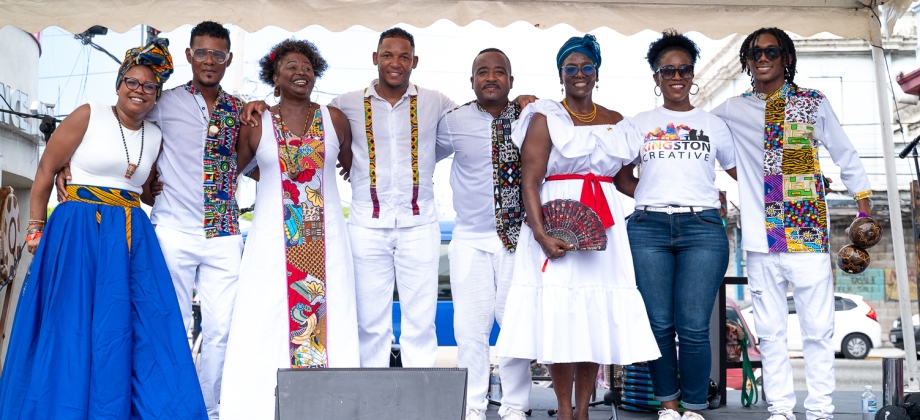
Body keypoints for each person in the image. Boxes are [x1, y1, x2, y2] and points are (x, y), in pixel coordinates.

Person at [0, 39, 207, 419]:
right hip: (77, 229)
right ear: (118, 83)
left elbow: (142, 187)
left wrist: (151, 189)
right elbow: (47, 169)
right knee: (70, 320)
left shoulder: (156, 136)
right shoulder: (89, 113)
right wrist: (35, 226)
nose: (139, 91)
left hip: (129, 235)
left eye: (149, 86)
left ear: (157, 95)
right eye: (132, 81)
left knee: (132, 324)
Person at [495, 34, 660, 420]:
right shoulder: (544, 117)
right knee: (559, 318)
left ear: (597, 73)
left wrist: (671, 195)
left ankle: (584, 411)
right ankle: (564, 410)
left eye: (587, 67)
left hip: (604, 227)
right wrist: (540, 234)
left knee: (592, 320)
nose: (579, 74)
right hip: (553, 224)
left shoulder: (617, 122)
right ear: (560, 74)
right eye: (571, 68)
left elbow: (624, 182)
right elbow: (529, 181)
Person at [711, 27, 873, 420]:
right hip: (761, 239)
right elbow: (699, 133)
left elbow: (844, 153)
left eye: (771, 50)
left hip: (807, 234)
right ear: (746, 62)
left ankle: (820, 411)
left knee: (818, 332)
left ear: (787, 57)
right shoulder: (733, 108)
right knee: (769, 333)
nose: (762, 57)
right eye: (753, 52)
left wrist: (864, 207)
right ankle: (780, 410)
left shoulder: (812, 103)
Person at [217, 39, 359, 420]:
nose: (301, 73)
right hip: (271, 244)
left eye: (308, 67)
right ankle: (259, 408)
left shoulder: (334, 119)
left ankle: (328, 409)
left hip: (326, 242)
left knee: (333, 319)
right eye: (291, 66)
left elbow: (346, 163)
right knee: (267, 319)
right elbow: (236, 170)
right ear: (274, 76)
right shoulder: (257, 121)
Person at [615, 30, 737, 420]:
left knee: (695, 327)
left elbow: (742, 174)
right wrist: (651, 193)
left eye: (684, 68)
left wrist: (802, 184)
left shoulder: (714, 124)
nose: (677, 76)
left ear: (692, 73)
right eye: (667, 70)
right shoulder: (639, 123)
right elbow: (620, 176)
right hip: (648, 228)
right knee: (658, 324)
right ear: (656, 77)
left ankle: (695, 408)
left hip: (702, 227)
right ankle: (669, 406)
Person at [435, 48, 531, 420]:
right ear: (471, 80)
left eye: (499, 71)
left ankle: (515, 406)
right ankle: (473, 406)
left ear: (511, 79)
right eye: (482, 72)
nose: (491, 77)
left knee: (514, 325)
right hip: (470, 238)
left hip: (518, 237)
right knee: (470, 328)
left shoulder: (530, 115)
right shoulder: (452, 121)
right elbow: (422, 155)